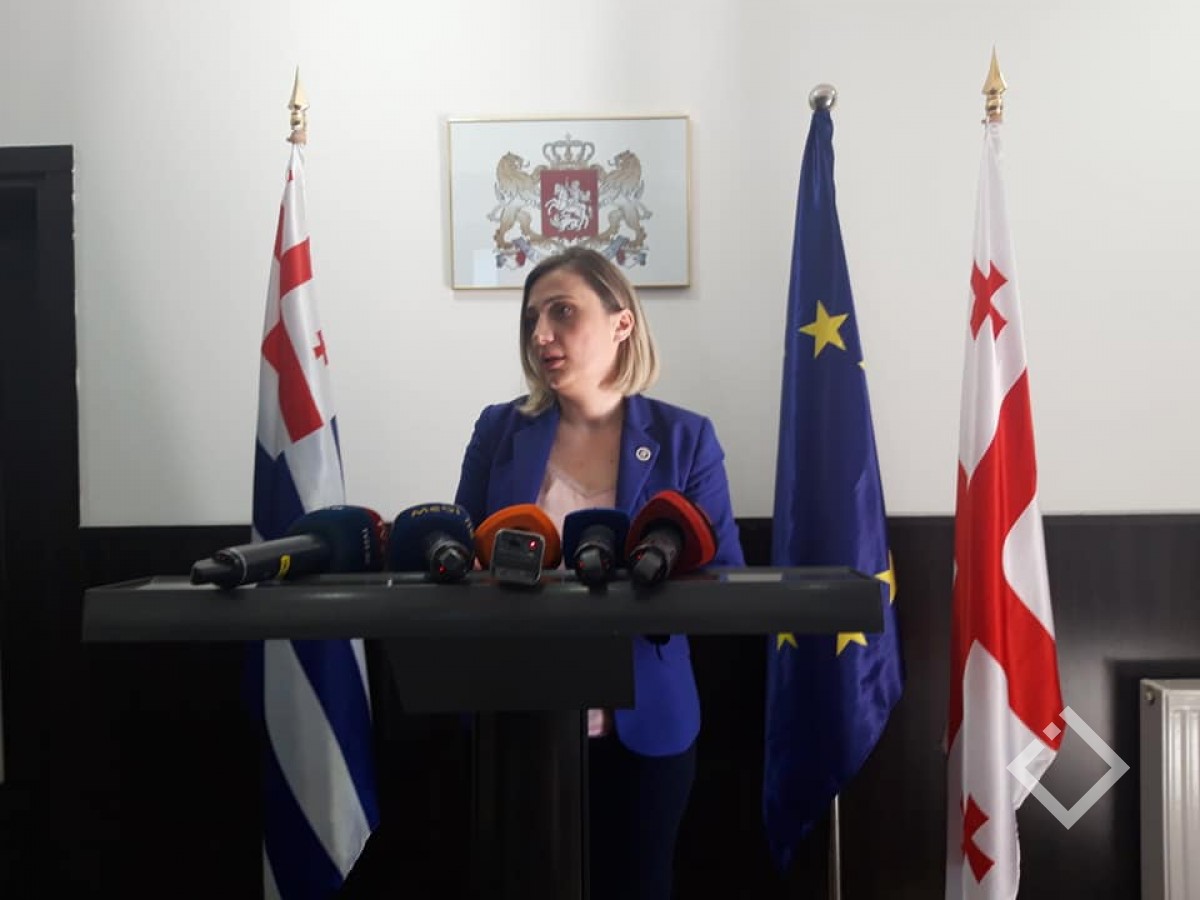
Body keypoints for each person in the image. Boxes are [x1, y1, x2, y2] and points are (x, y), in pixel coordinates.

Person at [453, 246, 745, 900]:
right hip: (518, 723)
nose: (541, 335)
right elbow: (466, 558)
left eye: (562, 312)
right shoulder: (499, 431)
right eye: (532, 318)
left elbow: (723, 579)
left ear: (622, 322)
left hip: (645, 726)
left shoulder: (686, 438)